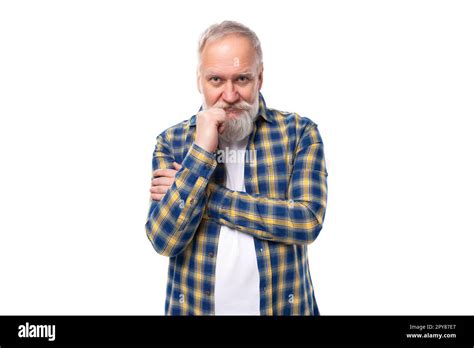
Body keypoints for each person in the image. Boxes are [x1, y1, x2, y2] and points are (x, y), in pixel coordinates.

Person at [145, 20, 328, 315]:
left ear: (260, 77)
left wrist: (201, 194)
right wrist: (202, 151)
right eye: (216, 80)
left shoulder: (299, 133)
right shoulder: (172, 141)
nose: (229, 96)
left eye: (241, 79)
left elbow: (306, 222)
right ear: (199, 80)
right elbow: (164, 240)